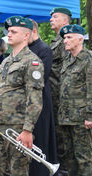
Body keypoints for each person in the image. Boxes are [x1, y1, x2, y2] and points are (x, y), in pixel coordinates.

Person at [0, 16, 44, 176]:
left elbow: (35, 98)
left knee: (18, 171)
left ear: (26, 35)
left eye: (13, 31)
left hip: (17, 128)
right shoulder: (5, 63)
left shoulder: (32, 62)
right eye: (8, 31)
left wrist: (27, 130)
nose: (9, 34)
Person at [57, 24, 92, 176]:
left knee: (85, 158)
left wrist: (91, 115)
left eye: (69, 37)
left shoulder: (89, 59)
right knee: (69, 158)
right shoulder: (68, 59)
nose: (65, 41)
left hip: (81, 118)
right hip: (66, 117)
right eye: (64, 38)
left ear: (80, 39)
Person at [28, 20, 58, 175]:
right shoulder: (26, 49)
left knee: (40, 140)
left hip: (40, 103)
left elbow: (41, 77)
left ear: (33, 31)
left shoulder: (44, 49)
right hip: (27, 103)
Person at [49, 7, 71, 175]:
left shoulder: (66, 40)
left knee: (63, 138)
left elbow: (67, 70)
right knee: (57, 136)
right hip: (54, 96)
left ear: (65, 21)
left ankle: (65, 170)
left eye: (55, 17)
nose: (51, 19)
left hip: (62, 97)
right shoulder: (56, 41)